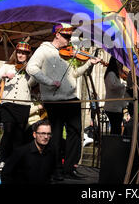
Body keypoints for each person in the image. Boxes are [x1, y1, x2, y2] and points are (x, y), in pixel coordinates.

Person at [26, 23, 101, 181]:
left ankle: (70, 167)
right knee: (56, 135)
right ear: (57, 35)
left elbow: (74, 74)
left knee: (76, 133)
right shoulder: (44, 50)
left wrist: (88, 63)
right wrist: (49, 81)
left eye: (70, 36)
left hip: (71, 98)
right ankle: (56, 169)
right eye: (66, 36)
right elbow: (31, 68)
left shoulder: (66, 53)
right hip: (54, 101)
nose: (69, 39)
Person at [0, 41, 35, 171]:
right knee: (8, 131)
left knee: (19, 134)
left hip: (23, 104)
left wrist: (31, 73)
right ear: (16, 53)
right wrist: (3, 75)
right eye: (19, 52)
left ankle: (16, 161)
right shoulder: (7, 66)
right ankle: (4, 159)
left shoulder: (30, 69)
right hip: (8, 104)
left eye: (24, 53)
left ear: (27, 55)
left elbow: (33, 83)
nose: (21, 55)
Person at [1, 119, 55, 184]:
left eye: (48, 134)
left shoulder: (51, 152)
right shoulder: (21, 152)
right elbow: (5, 174)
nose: (46, 137)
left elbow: (49, 176)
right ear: (34, 134)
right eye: (43, 133)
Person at [104, 57, 128, 135]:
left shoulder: (115, 75)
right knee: (116, 129)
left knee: (116, 129)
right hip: (113, 108)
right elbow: (112, 86)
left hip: (117, 107)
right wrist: (123, 85)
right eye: (119, 63)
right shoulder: (111, 74)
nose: (120, 66)